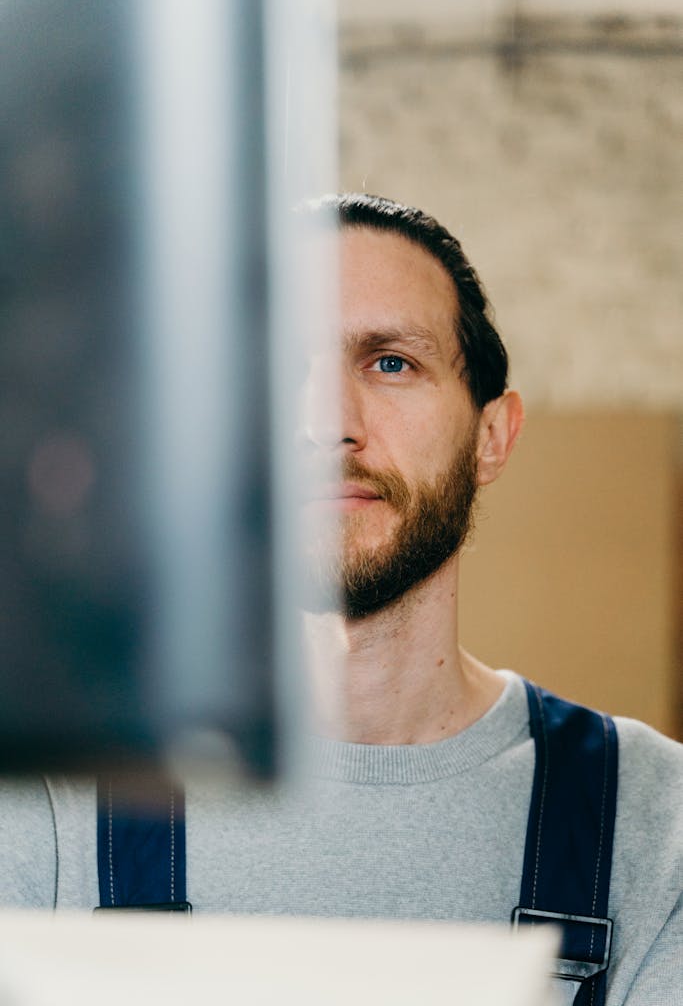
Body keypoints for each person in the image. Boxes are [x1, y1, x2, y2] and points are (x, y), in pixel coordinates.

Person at [0, 195, 680, 1006]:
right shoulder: (46, 802)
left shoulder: (656, 819)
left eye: (390, 362)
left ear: (492, 436)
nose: (328, 423)